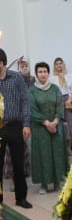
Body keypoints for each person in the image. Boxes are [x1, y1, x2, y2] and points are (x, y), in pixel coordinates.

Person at [29, 62, 69, 194]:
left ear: (48, 73)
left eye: (45, 71)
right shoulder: (32, 91)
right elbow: (32, 110)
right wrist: (47, 123)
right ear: (36, 74)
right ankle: (44, 184)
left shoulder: (55, 88)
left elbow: (60, 106)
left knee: (57, 154)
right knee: (43, 154)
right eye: (40, 72)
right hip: (40, 128)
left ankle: (57, 182)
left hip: (56, 127)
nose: (43, 74)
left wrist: (56, 121)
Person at [0, 48, 32, 208]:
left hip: (15, 126)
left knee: (18, 164)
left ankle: (21, 198)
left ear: (2, 63)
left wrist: (26, 124)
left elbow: (25, 101)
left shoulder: (17, 78)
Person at [50, 57, 72, 154]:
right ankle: (61, 148)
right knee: (59, 123)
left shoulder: (69, 76)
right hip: (57, 100)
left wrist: (69, 99)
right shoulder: (52, 78)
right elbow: (52, 91)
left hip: (67, 99)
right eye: (56, 64)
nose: (59, 65)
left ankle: (69, 147)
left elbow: (71, 89)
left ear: (63, 64)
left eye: (60, 63)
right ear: (54, 66)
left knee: (69, 123)